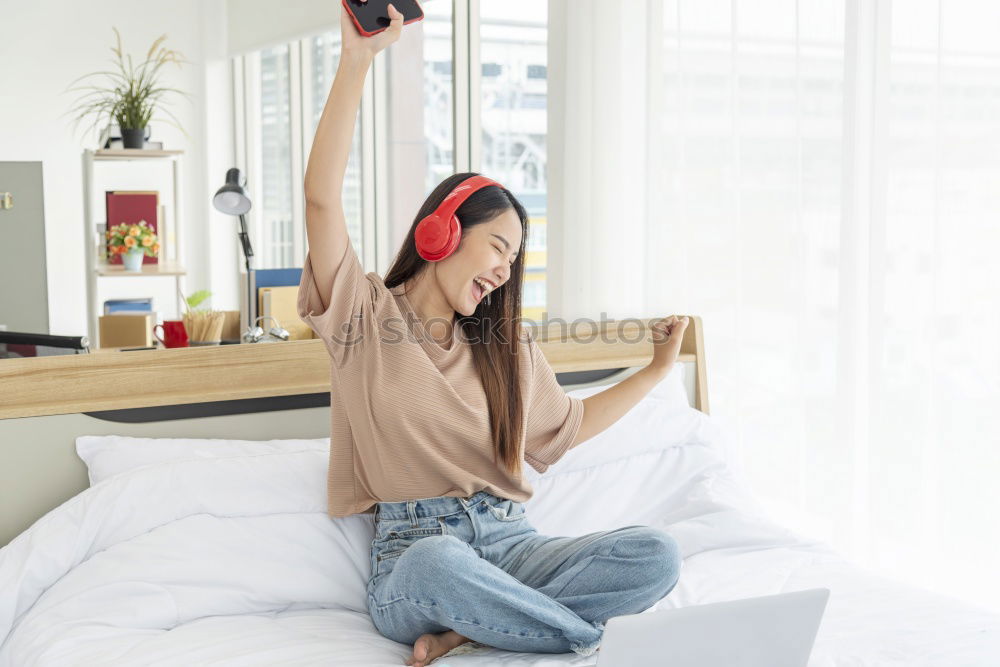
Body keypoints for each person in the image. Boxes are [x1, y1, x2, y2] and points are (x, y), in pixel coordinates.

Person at [298, 3, 689, 665]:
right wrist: (358, 60)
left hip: (515, 546)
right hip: (417, 559)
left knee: (656, 556)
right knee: (437, 561)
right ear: (442, 231)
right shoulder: (362, 315)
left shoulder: (506, 349)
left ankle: (479, 630)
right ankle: (582, 640)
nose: (506, 270)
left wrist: (654, 372)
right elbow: (320, 199)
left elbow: (567, 426)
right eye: (498, 246)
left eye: (515, 259)